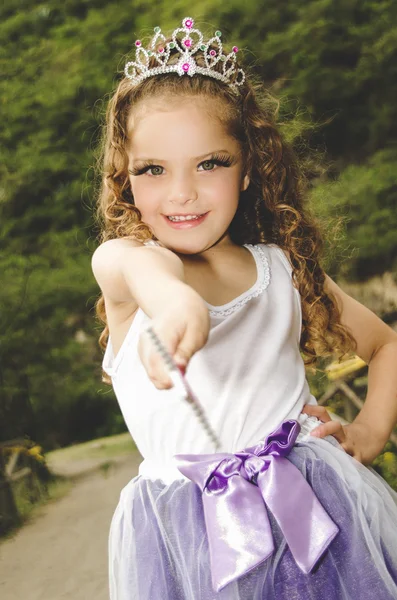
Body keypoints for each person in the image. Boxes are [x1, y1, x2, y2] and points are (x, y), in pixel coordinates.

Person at [91, 16, 397, 600]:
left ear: (249, 168)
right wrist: (177, 302)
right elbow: (144, 274)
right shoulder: (126, 264)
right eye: (153, 169)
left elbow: (385, 344)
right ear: (125, 181)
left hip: (316, 509)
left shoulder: (281, 270)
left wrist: (369, 430)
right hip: (191, 541)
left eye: (210, 164)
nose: (181, 191)